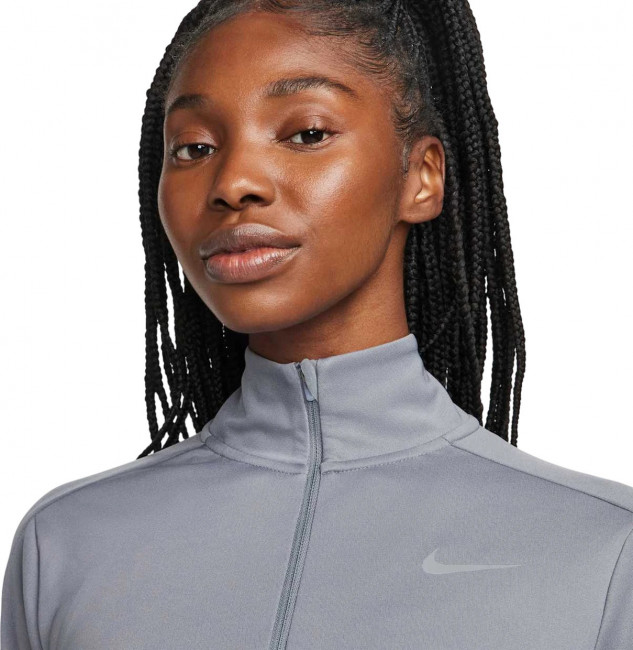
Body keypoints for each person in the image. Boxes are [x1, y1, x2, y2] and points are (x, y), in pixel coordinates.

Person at [2, 0, 632, 647]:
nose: (233, 183)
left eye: (305, 133)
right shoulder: (68, 544)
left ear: (421, 177)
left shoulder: (605, 552)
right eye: (194, 147)